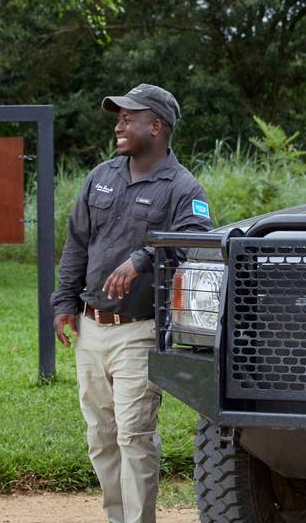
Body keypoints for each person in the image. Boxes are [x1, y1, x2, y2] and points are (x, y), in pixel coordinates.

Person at [51, 83, 211, 523]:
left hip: (139, 332)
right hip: (90, 327)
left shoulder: (183, 187)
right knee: (101, 438)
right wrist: (63, 301)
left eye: (128, 117)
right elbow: (77, 243)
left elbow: (196, 240)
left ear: (156, 126)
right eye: (118, 117)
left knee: (134, 437)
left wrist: (141, 259)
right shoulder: (101, 176)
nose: (119, 125)